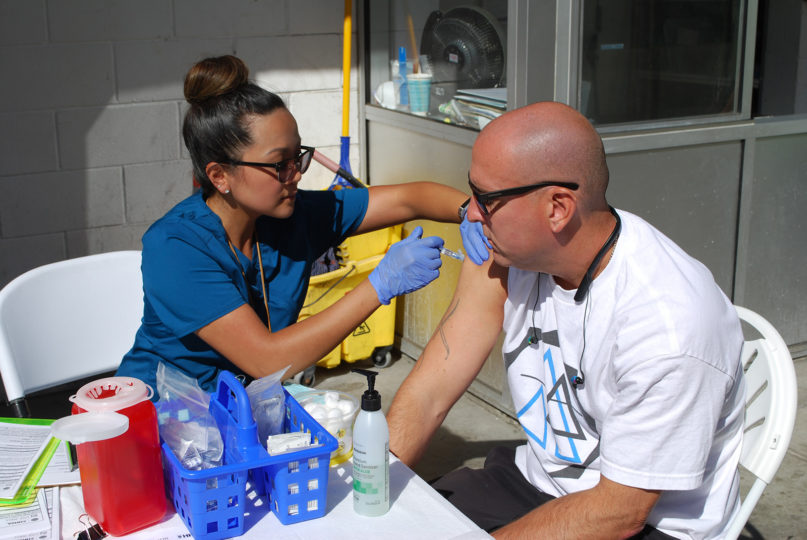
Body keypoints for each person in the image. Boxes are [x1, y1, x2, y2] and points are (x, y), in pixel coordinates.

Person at [386, 102, 745, 539]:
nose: (471, 214)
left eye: (486, 199)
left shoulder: (670, 328)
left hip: (647, 521)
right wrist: (370, 480)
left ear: (557, 208)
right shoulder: (504, 254)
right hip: (540, 482)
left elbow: (618, 512)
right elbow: (431, 390)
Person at [116, 55, 468, 399]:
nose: (297, 174)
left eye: (298, 156)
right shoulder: (176, 247)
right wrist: (380, 284)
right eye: (279, 164)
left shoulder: (289, 216)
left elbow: (409, 198)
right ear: (219, 175)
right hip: (160, 418)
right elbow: (267, 359)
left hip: (238, 412)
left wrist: (473, 212)